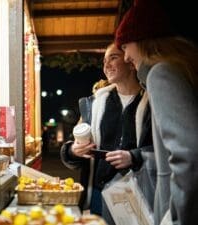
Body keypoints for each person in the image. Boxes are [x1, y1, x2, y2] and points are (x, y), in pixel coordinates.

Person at [115, 0, 198, 224]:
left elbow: (188, 155)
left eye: (125, 46)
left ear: (143, 40)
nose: (125, 57)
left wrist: (175, 219)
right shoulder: (185, 67)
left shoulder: (161, 74)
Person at [60, 43, 154, 223]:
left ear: (130, 62)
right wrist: (74, 150)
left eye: (113, 57)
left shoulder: (152, 103)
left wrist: (133, 156)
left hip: (138, 194)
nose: (107, 65)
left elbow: (165, 150)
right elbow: (71, 148)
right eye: (104, 60)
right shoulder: (93, 105)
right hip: (98, 193)